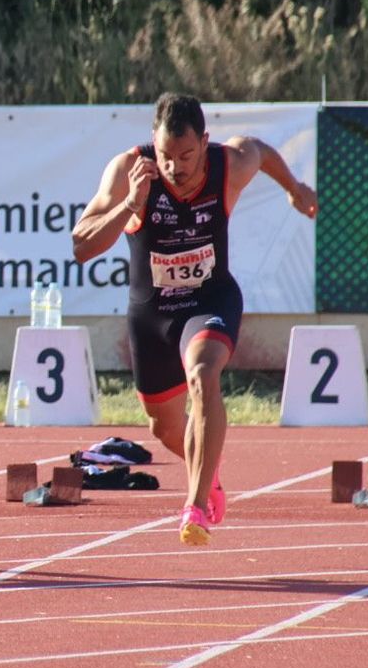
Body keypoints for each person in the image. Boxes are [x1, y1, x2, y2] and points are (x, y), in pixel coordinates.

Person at [71, 93, 318, 546]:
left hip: (209, 299)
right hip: (152, 313)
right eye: (166, 156)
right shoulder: (130, 169)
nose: (175, 167)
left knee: (204, 375)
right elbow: (82, 246)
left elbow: (259, 151)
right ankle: (210, 469)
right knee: (163, 425)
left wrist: (293, 188)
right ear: (153, 143)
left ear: (204, 143)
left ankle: (196, 505)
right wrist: (131, 204)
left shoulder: (229, 165)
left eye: (186, 156)